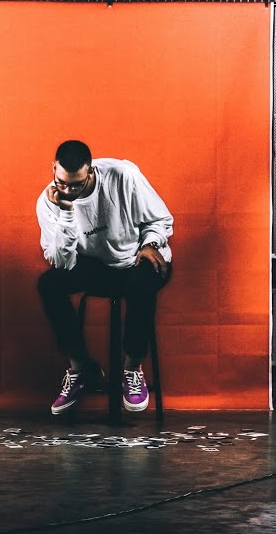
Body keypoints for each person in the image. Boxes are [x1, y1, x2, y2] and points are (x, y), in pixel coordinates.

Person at [36, 140, 174, 415]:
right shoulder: (48, 202)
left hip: (137, 259)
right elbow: (62, 263)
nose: (69, 191)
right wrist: (66, 213)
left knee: (141, 283)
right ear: (54, 168)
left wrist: (150, 243)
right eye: (62, 183)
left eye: (77, 185)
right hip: (97, 267)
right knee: (49, 283)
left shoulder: (123, 176)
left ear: (91, 171)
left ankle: (131, 368)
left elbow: (160, 219)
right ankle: (80, 368)